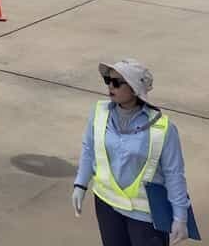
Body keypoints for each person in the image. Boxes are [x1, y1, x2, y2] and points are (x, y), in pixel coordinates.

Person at [73, 59, 191, 246]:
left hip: (146, 216)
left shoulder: (163, 128)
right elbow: (89, 149)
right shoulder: (99, 113)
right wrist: (80, 184)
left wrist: (180, 216)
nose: (111, 86)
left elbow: (174, 174)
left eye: (118, 82)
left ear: (135, 88)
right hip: (107, 206)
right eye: (108, 80)